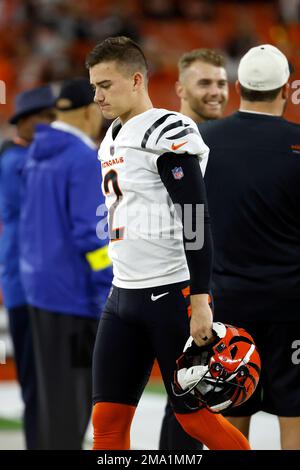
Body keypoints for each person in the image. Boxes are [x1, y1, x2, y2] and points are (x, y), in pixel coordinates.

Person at [86, 36, 250, 450]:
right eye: (94, 86)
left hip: (170, 294)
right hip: (121, 294)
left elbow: (196, 216)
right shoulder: (112, 136)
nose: (97, 95)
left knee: (196, 422)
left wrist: (199, 298)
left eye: (106, 84)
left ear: (137, 79)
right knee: (107, 419)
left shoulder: (166, 130)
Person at [202, 44, 300, 449]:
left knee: (230, 408)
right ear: (286, 89)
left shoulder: (202, 142)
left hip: (227, 303)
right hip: (292, 303)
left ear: (238, 86)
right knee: (295, 411)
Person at [19, 78, 113, 449]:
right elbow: (92, 236)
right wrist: (107, 288)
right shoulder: (81, 159)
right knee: (73, 406)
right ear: (90, 112)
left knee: (51, 402)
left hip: (40, 293)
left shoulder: (36, 154)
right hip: (74, 298)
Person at [159, 48, 229, 451]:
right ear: (180, 88)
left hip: (218, 284)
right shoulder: (167, 146)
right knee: (186, 399)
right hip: (179, 290)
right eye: (205, 83)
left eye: (221, 83)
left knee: (206, 397)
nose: (216, 91)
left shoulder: (223, 144)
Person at [0, 85, 55, 449]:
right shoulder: (17, 162)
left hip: (41, 287)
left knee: (52, 379)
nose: (52, 125)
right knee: (40, 381)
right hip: (29, 288)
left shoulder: (27, 158)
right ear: (26, 121)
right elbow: (41, 214)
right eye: (45, 118)